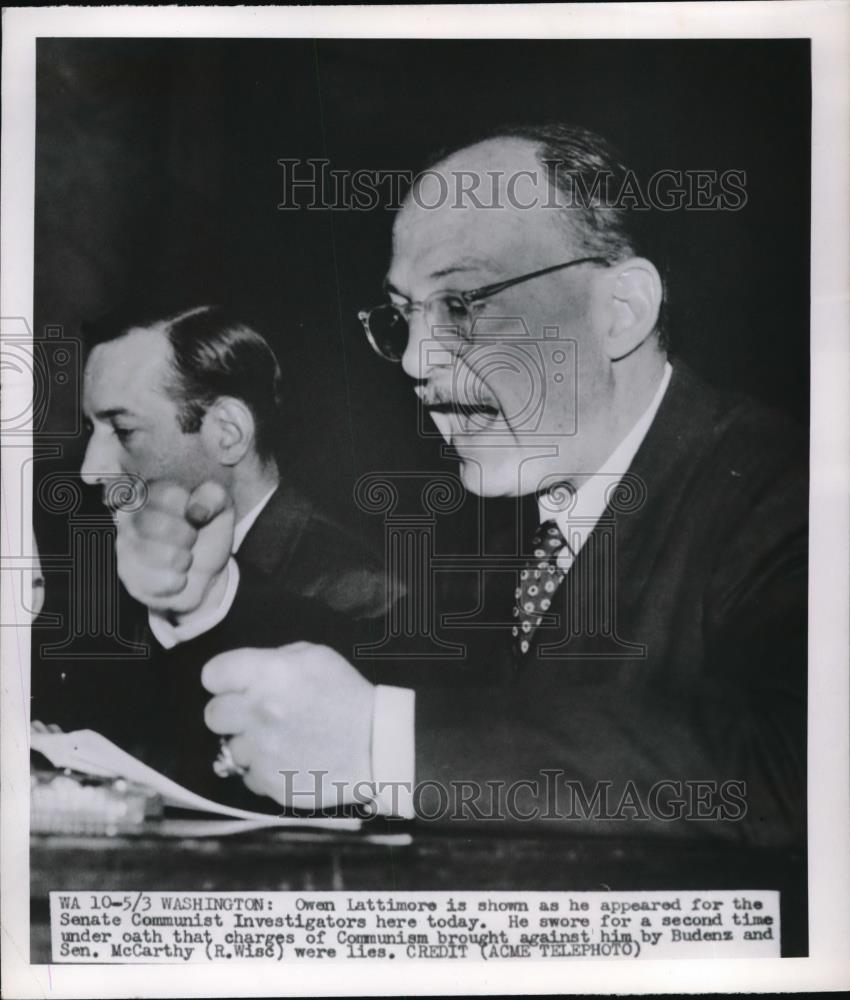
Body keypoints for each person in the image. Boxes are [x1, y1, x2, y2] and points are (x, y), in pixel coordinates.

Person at [130, 126, 807, 844]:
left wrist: (382, 748)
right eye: (404, 316)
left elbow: (797, 770)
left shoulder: (787, 494)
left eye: (462, 304)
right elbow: (383, 679)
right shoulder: (518, 501)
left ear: (622, 311)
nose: (417, 359)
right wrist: (202, 600)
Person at [34, 305, 395, 805]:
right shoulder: (110, 576)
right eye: (91, 431)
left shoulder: (359, 589)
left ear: (227, 432)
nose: (91, 471)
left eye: (122, 430)